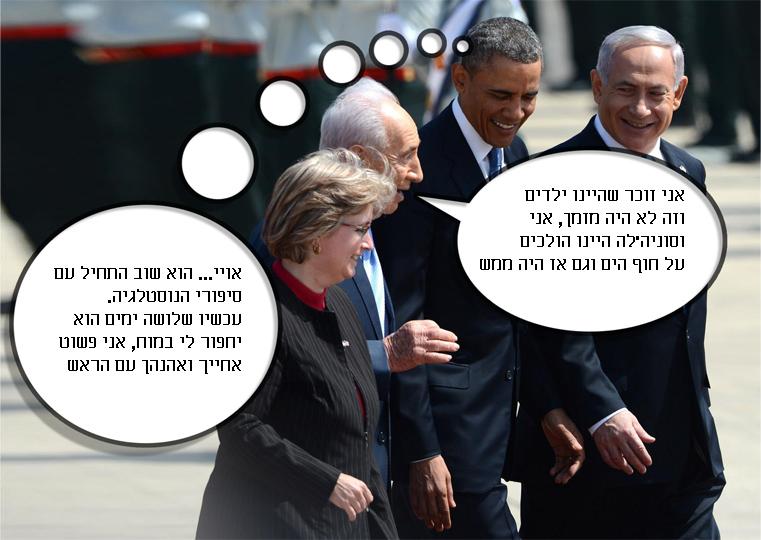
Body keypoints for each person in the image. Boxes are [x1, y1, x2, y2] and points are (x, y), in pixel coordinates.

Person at [516, 25, 725, 539]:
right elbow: (540, 321)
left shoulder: (689, 172)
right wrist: (600, 410)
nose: (641, 109)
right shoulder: (548, 179)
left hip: (682, 455)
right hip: (588, 455)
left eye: (657, 93)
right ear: (597, 86)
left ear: (679, 93)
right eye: (625, 90)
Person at [373, 17, 577, 538]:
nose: (516, 112)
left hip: (498, 419)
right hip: (447, 433)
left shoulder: (515, 153)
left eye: (529, 97)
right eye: (501, 95)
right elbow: (404, 320)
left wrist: (546, 404)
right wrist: (422, 451)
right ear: (460, 79)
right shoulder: (421, 169)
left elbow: (517, 301)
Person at [251, 77, 461, 490]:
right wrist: (383, 354)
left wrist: (420, 453)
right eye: (406, 156)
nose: (418, 172)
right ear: (362, 158)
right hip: (304, 489)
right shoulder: (285, 245)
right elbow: (275, 362)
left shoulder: (378, 228)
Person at [196, 149, 398, 539]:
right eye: (360, 229)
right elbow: (240, 429)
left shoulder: (338, 303)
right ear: (317, 232)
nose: (368, 244)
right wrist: (325, 481)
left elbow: (358, 445)